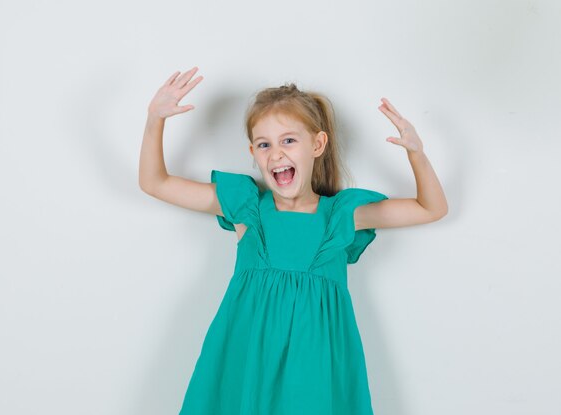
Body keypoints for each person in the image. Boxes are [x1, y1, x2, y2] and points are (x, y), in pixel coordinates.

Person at [139, 66, 448, 414]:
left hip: (314, 369)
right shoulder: (247, 209)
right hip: (247, 357)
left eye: (288, 140)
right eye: (264, 144)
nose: (276, 153)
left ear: (317, 144)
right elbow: (155, 183)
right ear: (253, 152)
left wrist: (416, 153)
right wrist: (155, 119)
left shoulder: (340, 217)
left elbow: (431, 208)